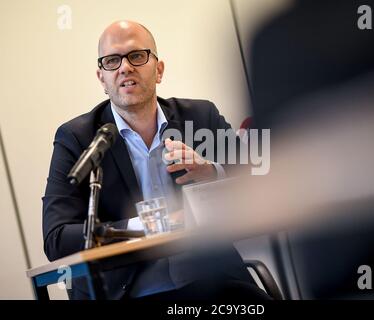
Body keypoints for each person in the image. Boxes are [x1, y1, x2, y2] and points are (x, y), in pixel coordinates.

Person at [42, 20, 269, 300]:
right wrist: (145, 227)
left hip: (214, 280)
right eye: (112, 60)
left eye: (137, 56)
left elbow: (261, 186)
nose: (125, 67)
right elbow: (56, 238)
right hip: (129, 292)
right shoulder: (77, 139)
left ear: (158, 70)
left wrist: (212, 172)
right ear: (102, 78)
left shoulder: (199, 117)